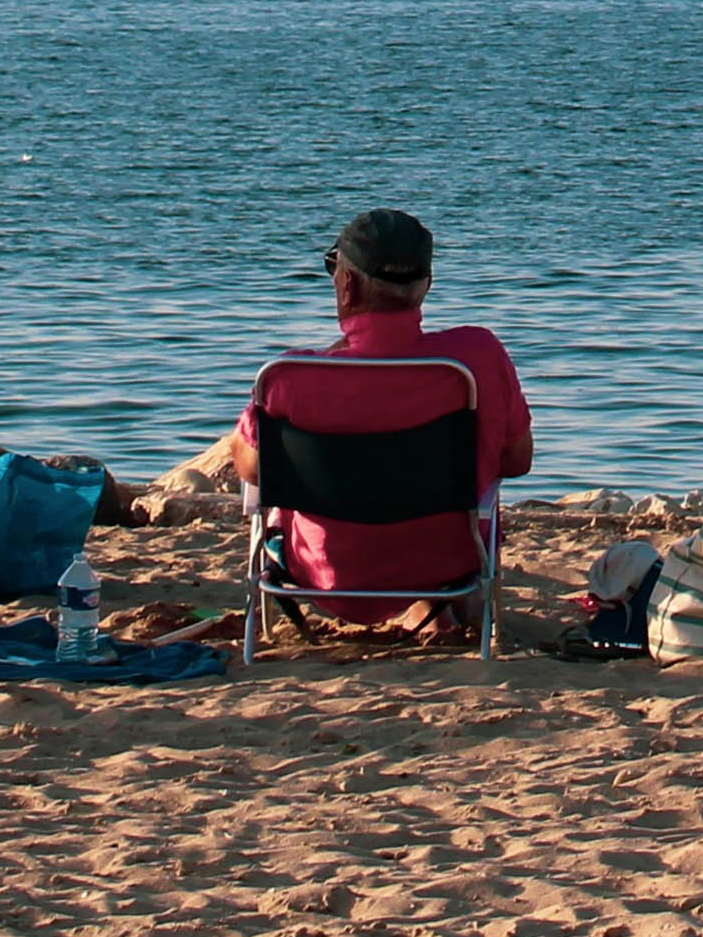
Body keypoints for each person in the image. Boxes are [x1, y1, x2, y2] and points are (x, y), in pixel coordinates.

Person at [217, 208, 536, 639]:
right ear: (425, 286)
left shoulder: (289, 377)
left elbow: (250, 468)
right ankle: (445, 610)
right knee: (443, 497)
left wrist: (334, 359)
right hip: (448, 564)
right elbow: (516, 462)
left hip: (322, 575)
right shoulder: (475, 358)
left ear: (347, 283)